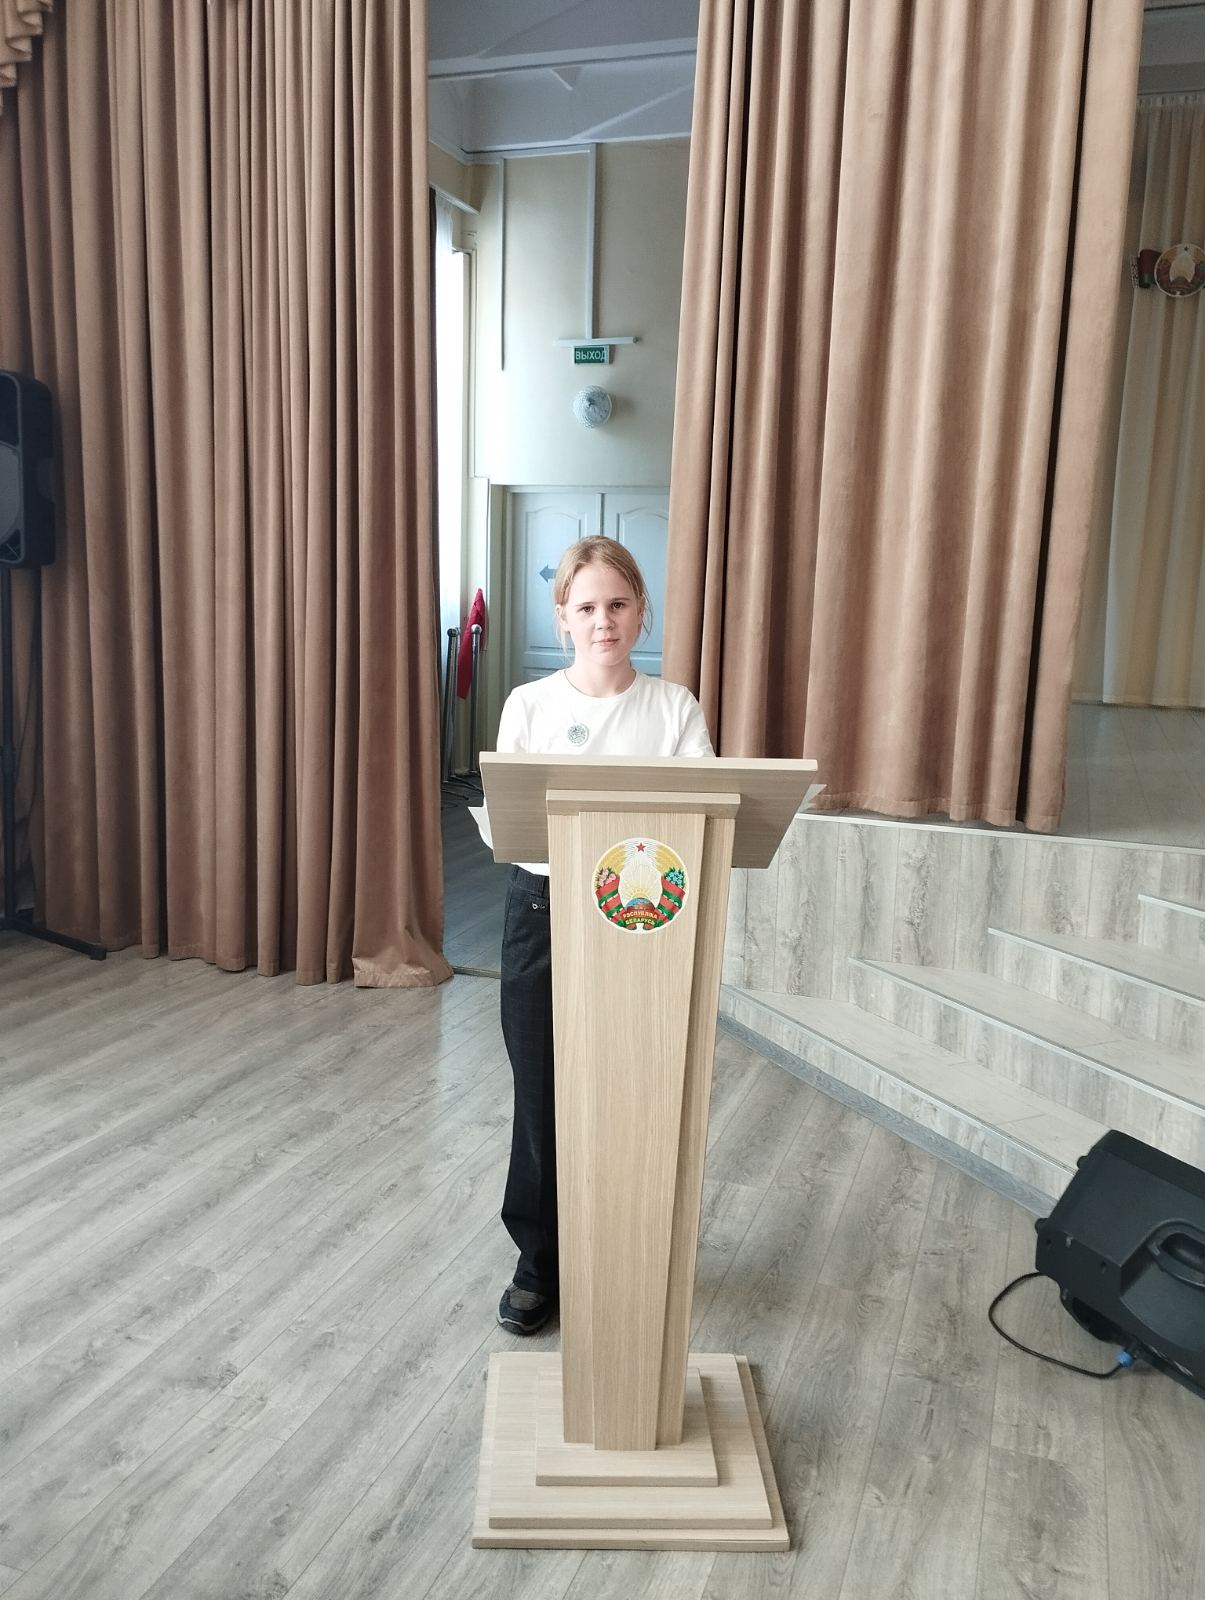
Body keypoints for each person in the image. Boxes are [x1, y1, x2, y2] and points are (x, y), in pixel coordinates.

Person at [493, 535, 715, 1334]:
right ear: (562, 616)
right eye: (585, 606)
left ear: (641, 609)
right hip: (543, 915)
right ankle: (539, 1262)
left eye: (617, 604)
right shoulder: (529, 706)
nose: (603, 621)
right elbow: (512, 823)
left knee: (634, 1092)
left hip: (643, 923)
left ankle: (627, 1252)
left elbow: (706, 818)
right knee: (541, 1096)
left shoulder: (674, 708)